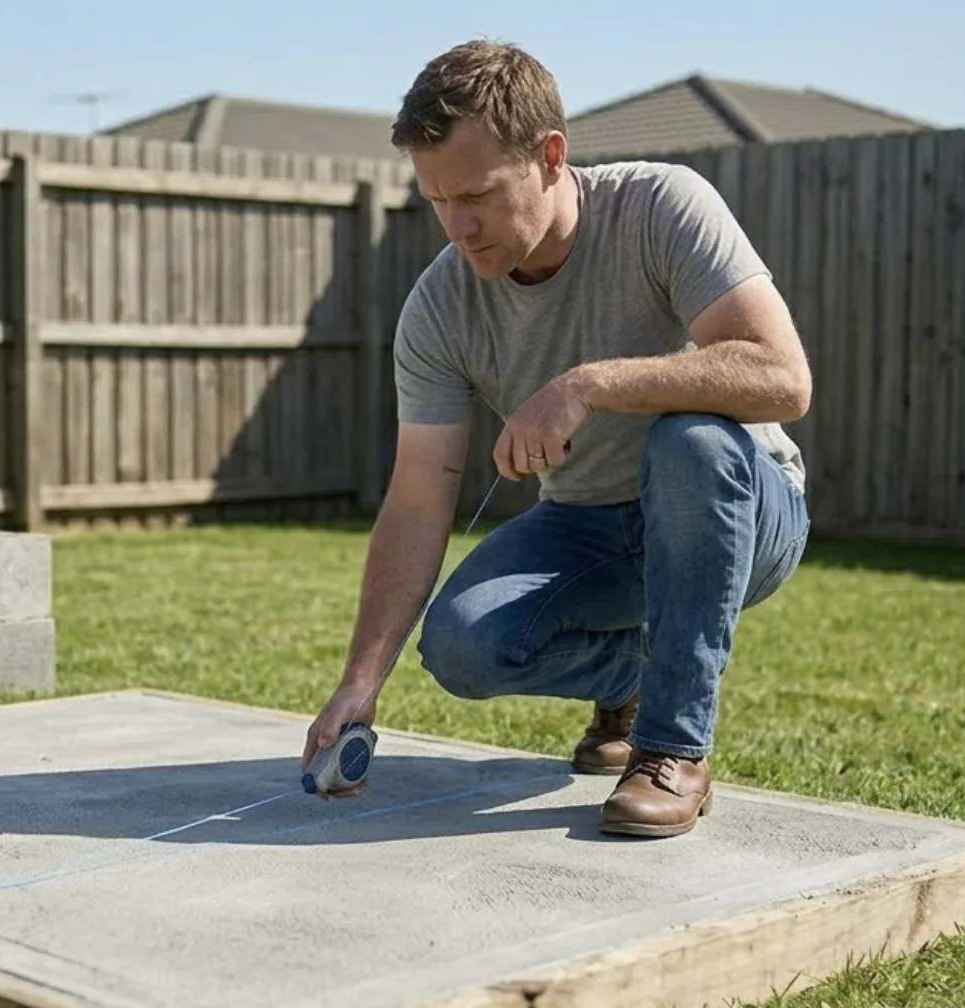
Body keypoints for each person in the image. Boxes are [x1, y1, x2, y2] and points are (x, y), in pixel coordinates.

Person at [301, 39, 813, 838]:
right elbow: (417, 497)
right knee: (464, 644)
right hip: (590, 528)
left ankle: (671, 749)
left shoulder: (660, 206)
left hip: (743, 511)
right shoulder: (440, 307)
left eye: (477, 194)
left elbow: (784, 378)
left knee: (693, 443)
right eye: (437, 200)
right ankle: (638, 680)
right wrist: (359, 683)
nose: (458, 226)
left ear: (549, 157)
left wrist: (587, 385)